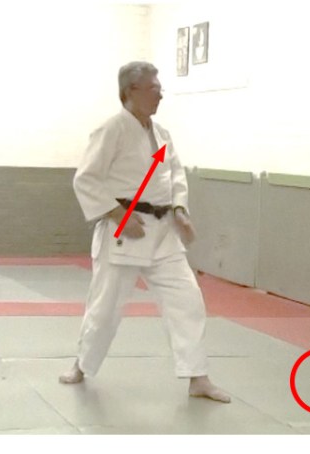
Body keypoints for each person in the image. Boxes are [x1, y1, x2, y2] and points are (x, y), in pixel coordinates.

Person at [59, 61, 231, 403]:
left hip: (163, 233)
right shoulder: (112, 129)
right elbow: (86, 179)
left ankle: (197, 376)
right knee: (105, 307)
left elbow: (175, 174)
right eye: (153, 88)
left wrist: (179, 209)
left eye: (159, 88)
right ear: (130, 91)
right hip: (125, 230)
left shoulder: (161, 133)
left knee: (188, 301)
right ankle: (82, 365)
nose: (160, 94)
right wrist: (119, 214)